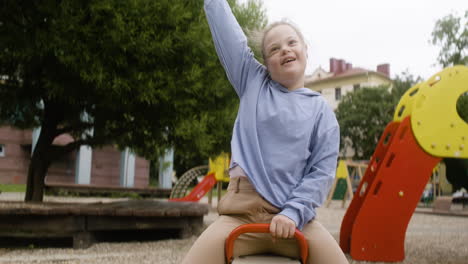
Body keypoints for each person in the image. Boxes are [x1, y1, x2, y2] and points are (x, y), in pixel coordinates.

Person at [182, 0, 349, 263]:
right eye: (274, 48)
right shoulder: (253, 82)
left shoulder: (322, 112)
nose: (284, 49)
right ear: (266, 63)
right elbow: (229, 35)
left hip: (294, 219)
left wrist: (292, 213)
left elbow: (321, 172)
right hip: (240, 215)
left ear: (306, 49)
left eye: (292, 43)